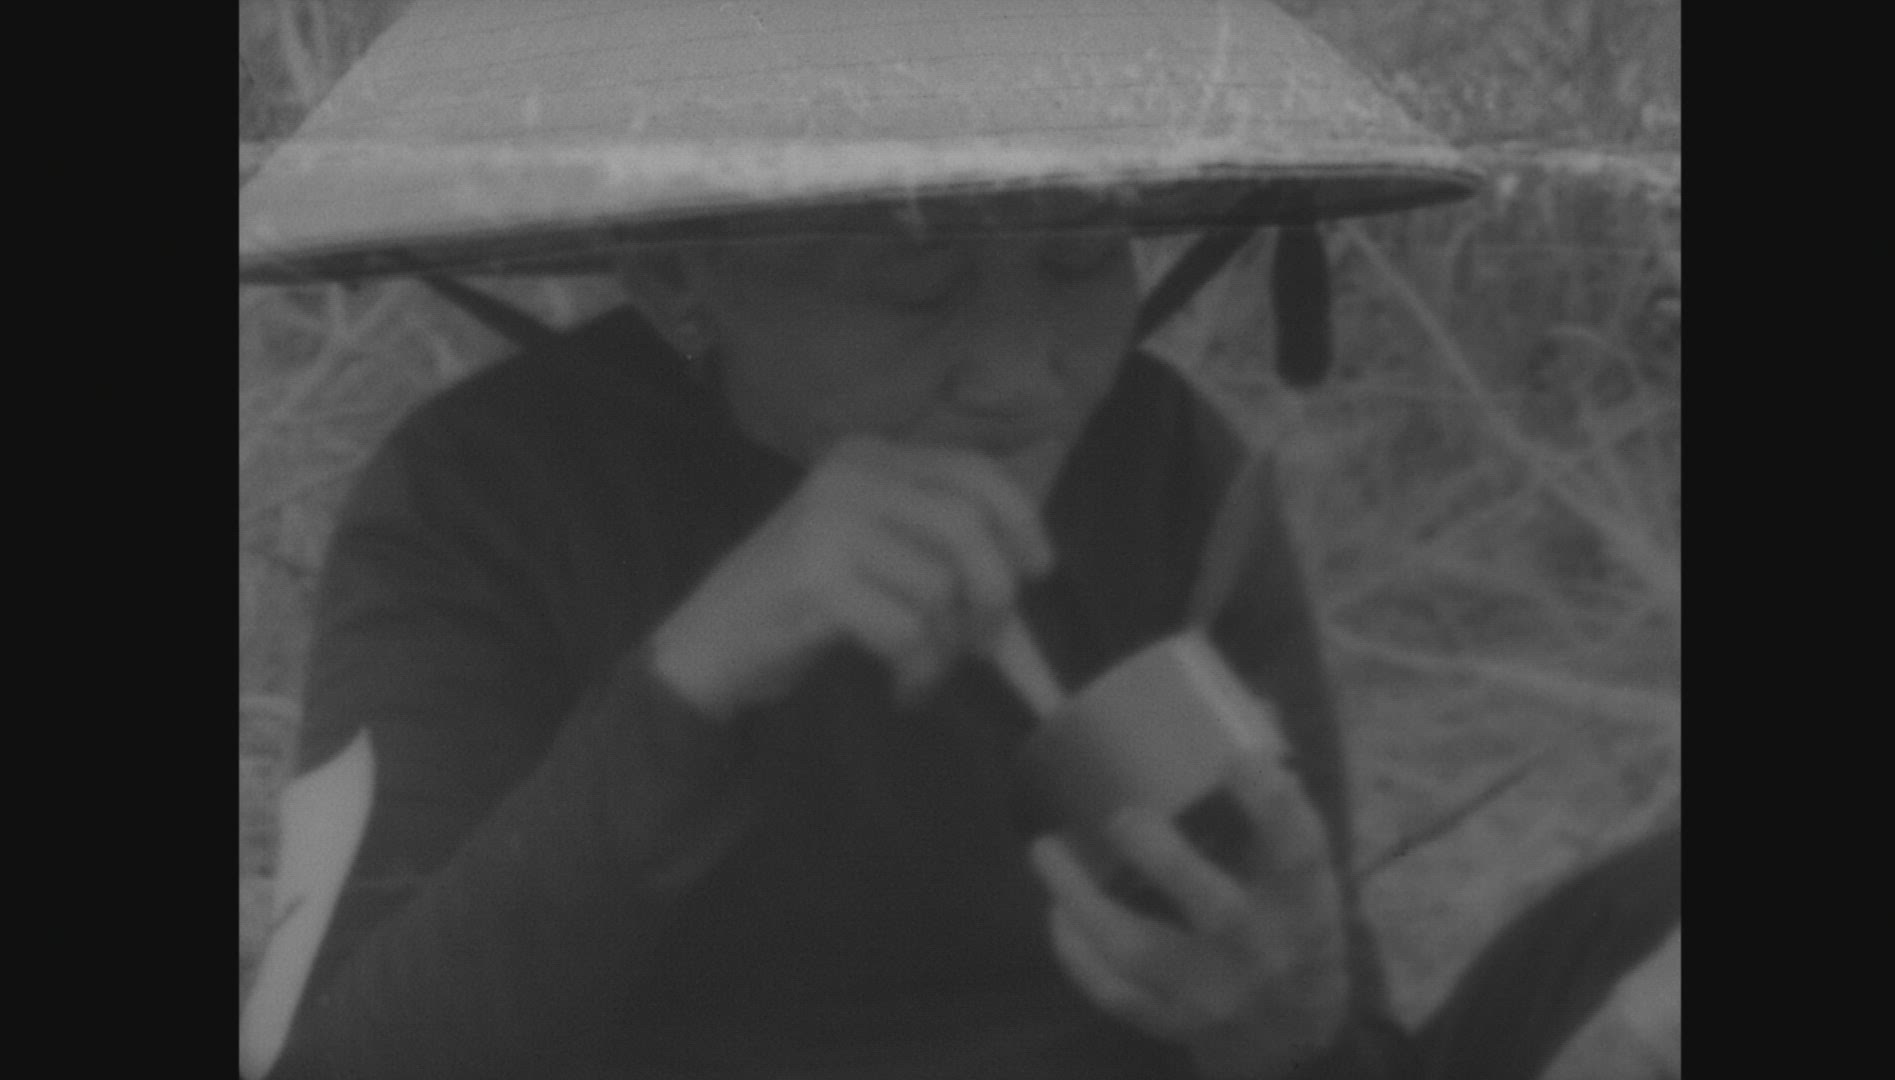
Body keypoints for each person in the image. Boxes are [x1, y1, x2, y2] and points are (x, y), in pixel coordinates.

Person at [238, 3, 1675, 1078]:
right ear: (677, 276)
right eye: (920, 292)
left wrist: (1285, 1023)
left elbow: (1337, 1046)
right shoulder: (486, 499)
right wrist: (694, 677)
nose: (1025, 375)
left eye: (1078, 261)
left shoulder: (1164, 468)